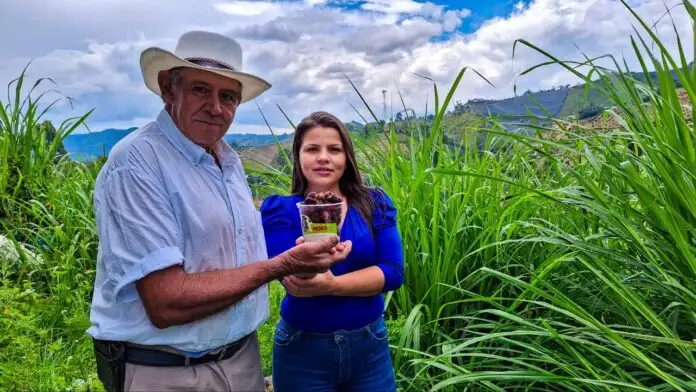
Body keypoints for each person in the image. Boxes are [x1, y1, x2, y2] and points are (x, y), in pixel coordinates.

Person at [86, 31, 352, 392]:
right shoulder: (137, 163)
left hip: (241, 359)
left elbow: (234, 254)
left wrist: (302, 259)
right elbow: (166, 302)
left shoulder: (227, 161)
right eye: (200, 90)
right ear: (168, 88)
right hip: (167, 371)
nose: (216, 107)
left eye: (227, 96)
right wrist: (283, 265)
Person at [260, 111, 405, 391]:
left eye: (334, 149)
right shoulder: (279, 211)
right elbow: (292, 280)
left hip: (370, 348)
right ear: (298, 156)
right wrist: (309, 264)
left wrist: (332, 284)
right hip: (302, 351)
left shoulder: (374, 203)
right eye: (312, 149)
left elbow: (393, 272)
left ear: (346, 157)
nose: (324, 157)